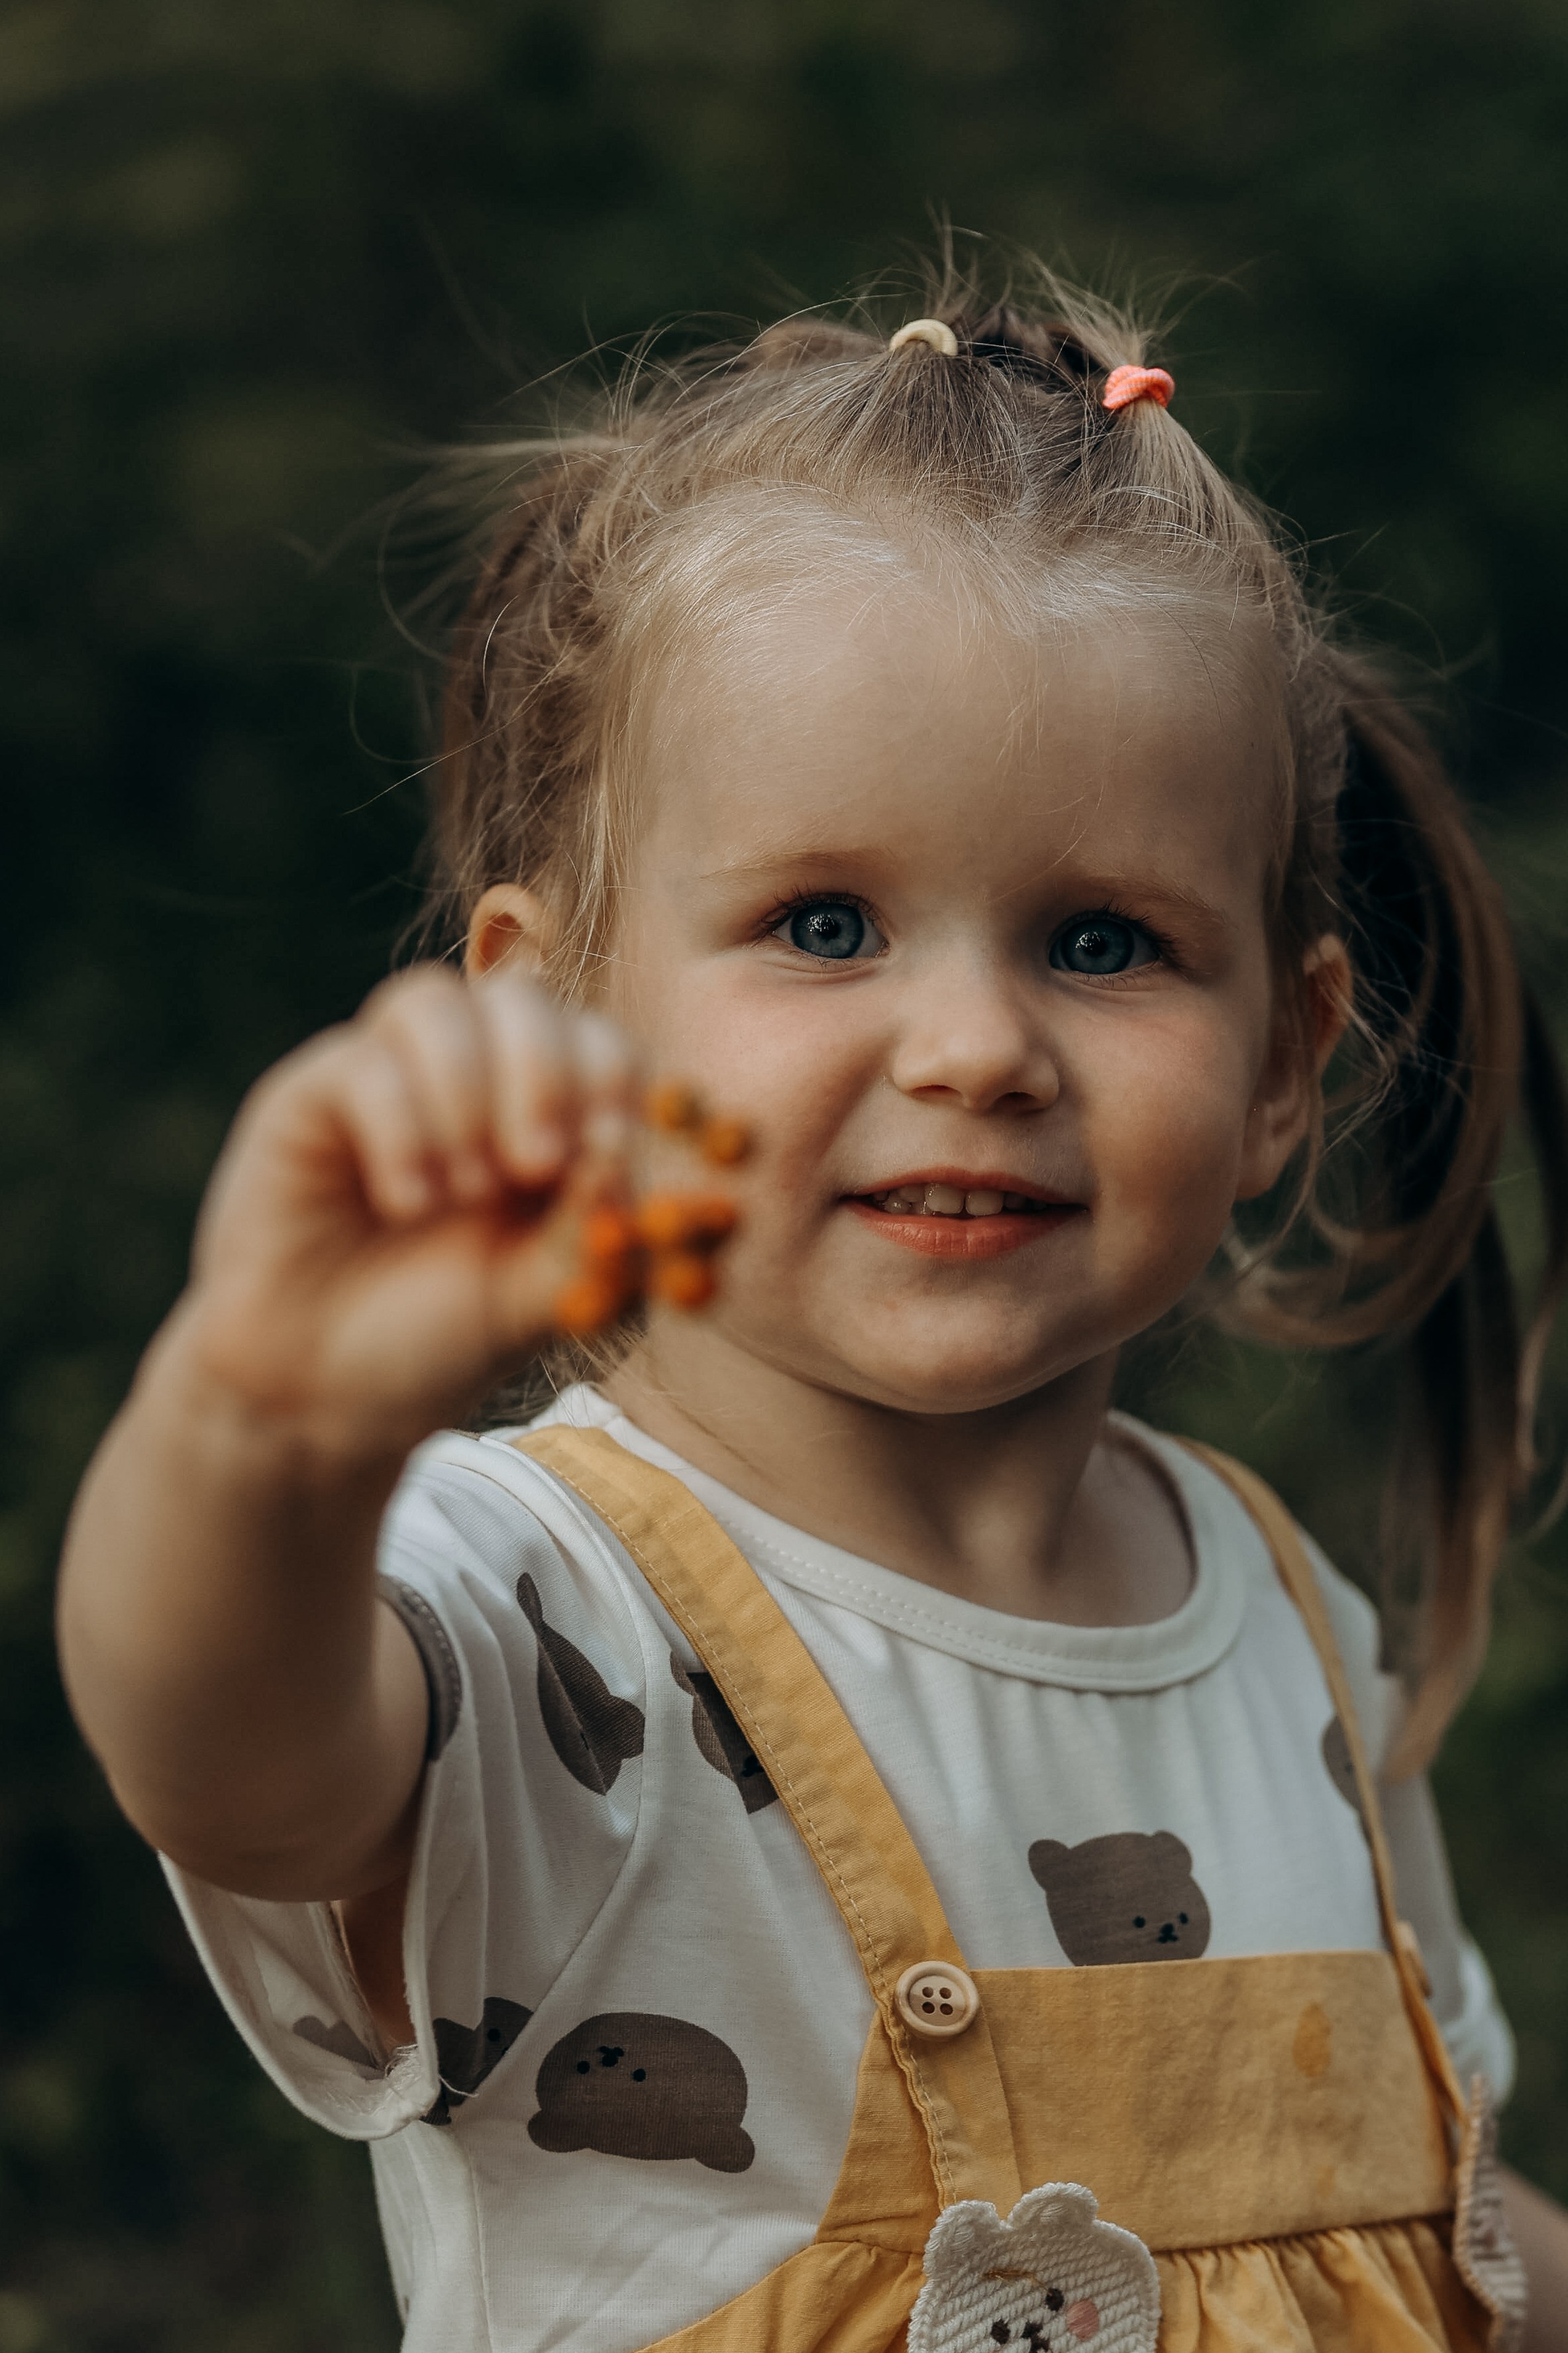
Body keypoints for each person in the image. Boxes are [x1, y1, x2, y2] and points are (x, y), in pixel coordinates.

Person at [57, 269, 1568, 2353]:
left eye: (1106, 940)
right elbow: (221, 1756)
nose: (974, 1045)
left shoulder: (1289, 1617)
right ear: (559, 1012)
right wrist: (259, 1427)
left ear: (1284, 1067)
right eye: (826, 924)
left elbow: (1450, 2215)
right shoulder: (538, 1603)